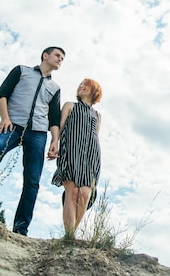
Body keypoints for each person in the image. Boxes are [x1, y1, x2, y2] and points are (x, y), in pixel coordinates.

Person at [0, 46, 65, 236]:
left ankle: (21, 228)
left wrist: (54, 141)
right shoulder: (21, 71)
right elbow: (2, 95)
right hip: (12, 125)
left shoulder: (55, 88)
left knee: (32, 180)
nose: (60, 59)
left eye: (62, 58)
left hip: (38, 133)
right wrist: (5, 118)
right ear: (45, 55)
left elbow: (54, 118)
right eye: (57, 55)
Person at [49, 78, 102, 239]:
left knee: (85, 194)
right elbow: (60, 127)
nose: (81, 86)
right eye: (80, 84)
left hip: (91, 155)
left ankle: (71, 235)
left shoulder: (97, 115)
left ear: (94, 91)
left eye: (85, 85)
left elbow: (96, 136)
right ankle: (69, 236)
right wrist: (54, 143)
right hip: (71, 151)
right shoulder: (70, 106)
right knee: (72, 192)